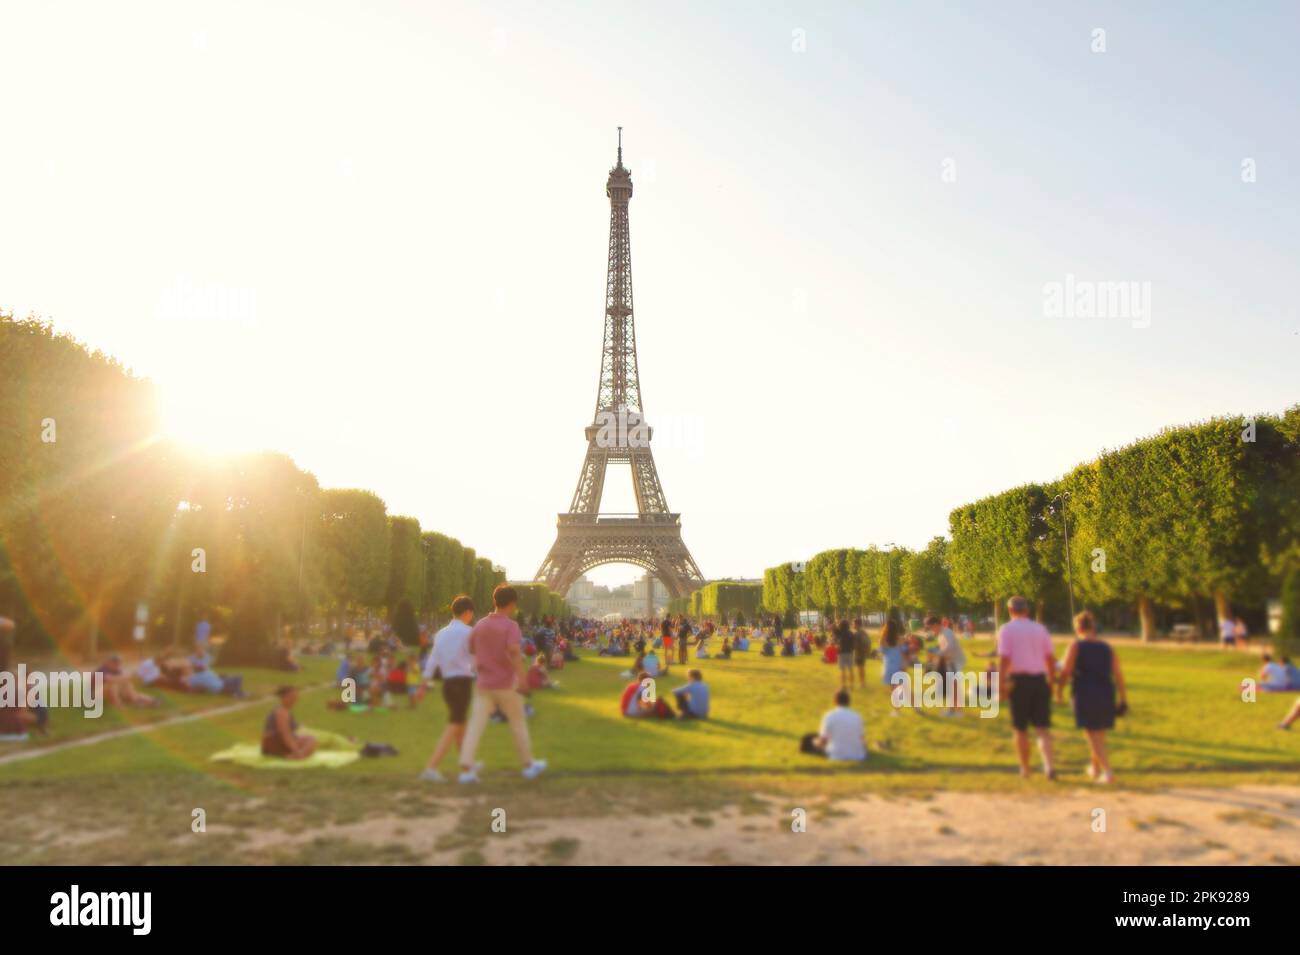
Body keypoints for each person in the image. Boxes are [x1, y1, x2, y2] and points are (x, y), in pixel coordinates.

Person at [456, 585, 547, 783]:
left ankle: (465, 770)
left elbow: (471, 646)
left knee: (475, 726)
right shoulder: (510, 626)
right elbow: (514, 653)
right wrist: (522, 680)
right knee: (518, 725)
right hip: (506, 684)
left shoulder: (480, 624)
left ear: (494, 601)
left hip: (484, 683)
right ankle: (528, 766)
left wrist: (484, 656)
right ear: (513, 603)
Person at [1056, 610, 1126, 783]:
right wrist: (1123, 698)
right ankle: (1095, 768)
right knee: (1099, 734)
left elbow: (1066, 671)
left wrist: (1059, 690)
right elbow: (1118, 674)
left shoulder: (1076, 646)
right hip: (1106, 692)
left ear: (1078, 628)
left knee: (1091, 734)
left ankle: (1108, 772)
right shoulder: (1106, 647)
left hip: (1085, 692)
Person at [997, 596, 1057, 779]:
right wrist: (1051, 680)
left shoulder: (1006, 630)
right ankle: (1049, 766)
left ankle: (1025, 768)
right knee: (1042, 729)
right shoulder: (1040, 629)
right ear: (1027, 610)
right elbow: (1050, 658)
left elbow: (1005, 659)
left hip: (1019, 682)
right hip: (1040, 679)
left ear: (1010, 610)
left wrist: (1000, 683)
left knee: (1020, 729)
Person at [421, 595, 477, 781]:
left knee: (460, 726)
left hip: (448, 684)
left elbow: (432, 661)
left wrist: (423, 685)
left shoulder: (440, 633)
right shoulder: (468, 632)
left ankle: (467, 766)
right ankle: (431, 767)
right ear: (468, 613)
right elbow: (475, 660)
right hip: (462, 683)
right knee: (455, 726)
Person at [801, 690, 867, 761]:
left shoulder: (829, 715)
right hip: (858, 755)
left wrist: (814, 742)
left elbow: (823, 741)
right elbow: (862, 739)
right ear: (849, 702)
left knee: (807, 738)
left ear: (835, 701)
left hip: (836, 754)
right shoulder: (857, 716)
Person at [261, 686, 317, 759]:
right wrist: (296, 751)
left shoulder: (282, 710)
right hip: (274, 744)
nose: (295, 700)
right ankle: (297, 756)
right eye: (292, 697)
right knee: (311, 740)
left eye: (296, 697)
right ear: (283, 698)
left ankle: (296, 754)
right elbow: (285, 734)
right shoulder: (281, 712)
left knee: (307, 738)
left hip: (273, 743)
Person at [926, 614, 966, 716]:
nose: (931, 630)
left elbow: (949, 647)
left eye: (931, 627)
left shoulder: (946, 633)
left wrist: (937, 654)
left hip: (954, 661)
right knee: (953, 685)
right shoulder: (941, 634)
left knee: (952, 686)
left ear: (936, 624)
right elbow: (943, 647)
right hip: (950, 661)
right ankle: (955, 710)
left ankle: (954, 710)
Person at [878, 620, 905, 715]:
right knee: (901, 687)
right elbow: (903, 651)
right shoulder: (900, 639)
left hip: (889, 665)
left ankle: (897, 710)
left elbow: (881, 652)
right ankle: (909, 706)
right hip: (899, 664)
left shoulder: (883, 639)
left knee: (893, 689)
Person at [833, 619, 854, 689]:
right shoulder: (851, 633)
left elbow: (834, 628)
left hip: (841, 653)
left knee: (843, 670)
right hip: (850, 653)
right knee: (850, 670)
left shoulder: (839, 633)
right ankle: (851, 685)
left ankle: (843, 685)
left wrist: (836, 622)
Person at [851, 618, 869, 689]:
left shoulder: (857, 633)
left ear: (857, 624)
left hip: (859, 653)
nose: (853, 625)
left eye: (853, 624)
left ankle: (862, 683)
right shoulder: (864, 632)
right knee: (861, 668)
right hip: (863, 652)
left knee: (860, 668)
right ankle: (862, 682)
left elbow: (854, 644)